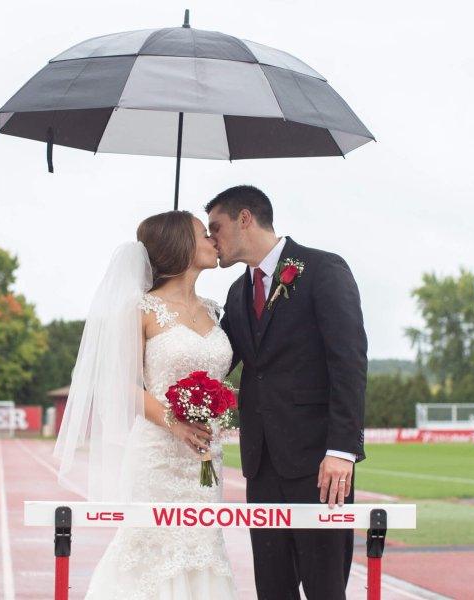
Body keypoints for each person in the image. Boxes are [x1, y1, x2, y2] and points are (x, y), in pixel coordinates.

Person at [54, 211, 238, 600]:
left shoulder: (215, 310)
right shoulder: (140, 309)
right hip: (158, 455)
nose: (213, 240)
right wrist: (175, 422)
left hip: (207, 458)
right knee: (152, 547)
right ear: (181, 247)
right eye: (203, 234)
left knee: (204, 549)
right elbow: (121, 385)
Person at [205, 185, 367, 600]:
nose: (211, 240)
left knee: (325, 590)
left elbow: (348, 362)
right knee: (272, 591)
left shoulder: (323, 269)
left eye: (215, 228)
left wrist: (342, 450)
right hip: (260, 466)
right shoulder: (236, 293)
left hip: (320, 465)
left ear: (245, 219)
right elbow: (216, 364)